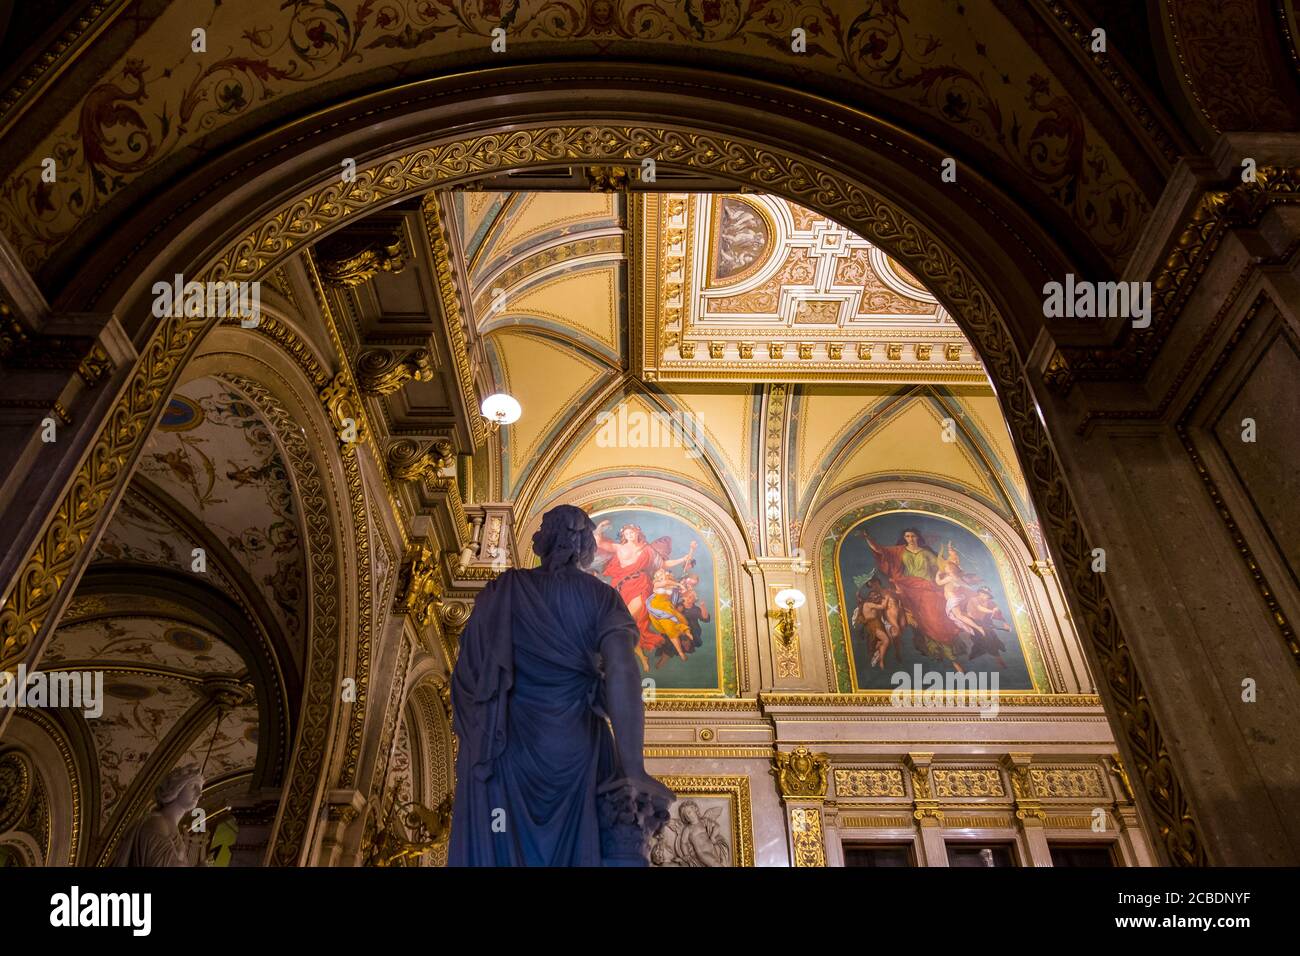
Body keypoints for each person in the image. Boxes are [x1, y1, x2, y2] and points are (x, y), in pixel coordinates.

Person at [448, 504, 674, 866]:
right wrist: (632, 766)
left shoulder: (502, 591)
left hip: (509, 747)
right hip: (577, 747)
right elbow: (623, 670)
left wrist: (479, 738)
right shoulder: (601, 597)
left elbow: (467, 681)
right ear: (586, 547)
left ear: (543, 541)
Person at [111, 764, 205, 867]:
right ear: (178, 787)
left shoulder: (170, 828)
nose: (199, 793)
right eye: (193, 786)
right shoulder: (157, 824)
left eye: (200, 788)